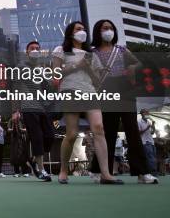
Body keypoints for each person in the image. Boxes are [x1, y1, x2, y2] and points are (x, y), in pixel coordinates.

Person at [52, 21, 122, 184]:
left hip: (90, 92)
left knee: (99, 128)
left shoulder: (92, 54)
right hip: (70, 91)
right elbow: (55, 74)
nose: (82, 32)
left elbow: (97, 81)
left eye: (83, 29)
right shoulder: (60, 50)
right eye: (78, 29)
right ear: (70, 33)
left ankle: (105, 173)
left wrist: (89, 68)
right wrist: (77, 65)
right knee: (71, 133)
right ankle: (63, 170)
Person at [88, 20, 157, 184]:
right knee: (108, 133)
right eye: (105, 28)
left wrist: (133, 68)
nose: (108, 30)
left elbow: (137, 62)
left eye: (111, 28)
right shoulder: (92, 52)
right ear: (98, 31)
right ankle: (99, 170)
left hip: (125, 90)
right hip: (105, 90)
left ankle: (143, 173)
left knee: (132, 130)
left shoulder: (121, 49)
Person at [12, 41, 54, 181]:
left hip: (43, 108)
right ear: (27, 52)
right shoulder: (21, 67)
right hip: (28, 107)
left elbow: (47, 89)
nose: (35, 50)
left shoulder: (42, 69)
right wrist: (15, 110)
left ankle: (35, 161)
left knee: (49, 136)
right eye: (32, 48)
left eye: (37, 48)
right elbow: (15, 89)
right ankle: (41, 170)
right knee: (37, 137)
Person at [8, 112, 30, 177]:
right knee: (15, 156)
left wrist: (21, 129)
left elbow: (26, 129)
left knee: (23, 155)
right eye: (15, 114)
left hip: (22, 139)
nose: (17, 115)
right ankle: (16, 172)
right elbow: (8, 129)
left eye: (18, 114)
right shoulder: (11, 120)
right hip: (14, 140)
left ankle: (25, 172)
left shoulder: (22, 120)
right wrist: (13, 129)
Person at [137, 109, 157, 174]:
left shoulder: (149, 122)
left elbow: (152, 132)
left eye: (148, 113)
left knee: (152, 156)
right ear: (142, 114)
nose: (147, 114)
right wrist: (147, 128)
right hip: (145, 141)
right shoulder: (139, 121)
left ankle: (150, 171)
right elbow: (139, 133)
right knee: (150, 156)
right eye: (146, 112)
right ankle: (153, 171)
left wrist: (153, 125)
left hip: (151, 141)